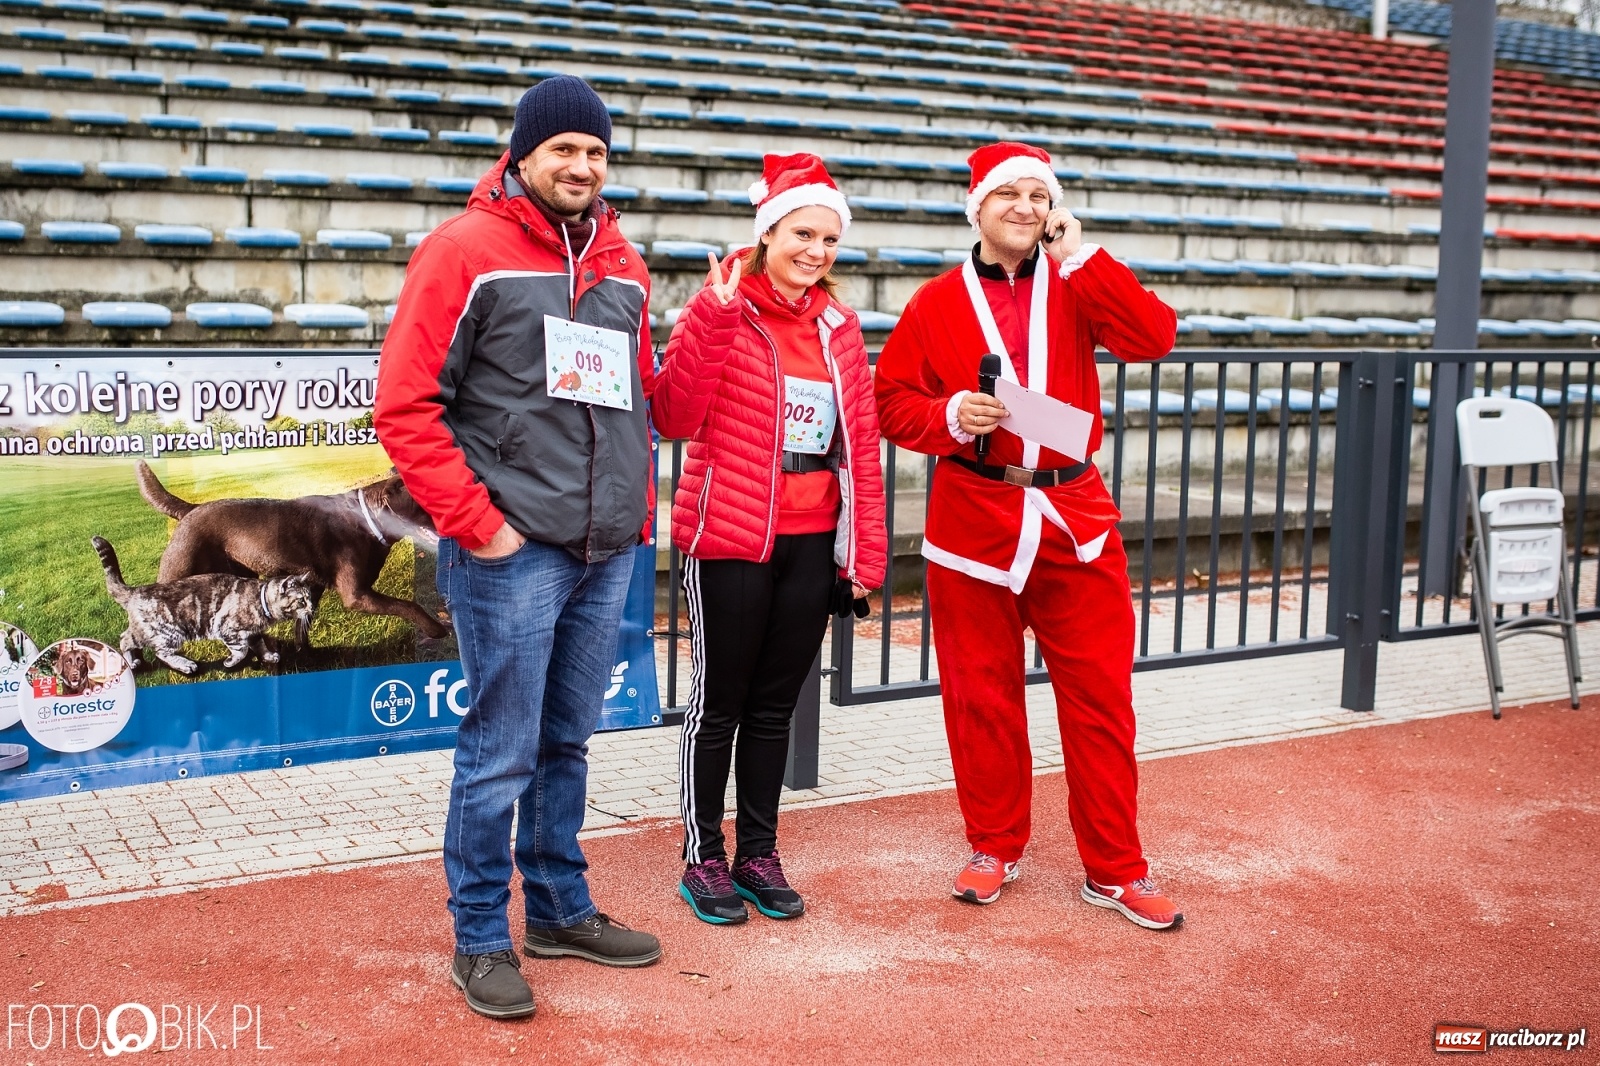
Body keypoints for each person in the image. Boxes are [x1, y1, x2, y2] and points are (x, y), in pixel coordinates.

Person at [374, 75, 662, 1020]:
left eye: (597, 151)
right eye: (564, 149)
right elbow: (405, 406)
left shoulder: (623, 263)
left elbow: (639, 400)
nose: (583, 166)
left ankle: (559, 910)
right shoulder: (464, 251)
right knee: (499, 752)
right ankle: (479, 939)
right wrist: (479, 524)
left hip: (603, 550)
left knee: (566, 741)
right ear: (524, 154)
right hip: (513, 550)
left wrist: (633, 517)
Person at [873, 141, 1184, 930]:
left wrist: (1084, 257)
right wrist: (950, 415)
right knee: (980, 696)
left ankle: (1115, 867)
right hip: (973, 519)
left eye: (1038, 196)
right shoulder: (935, 301)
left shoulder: (1078, 283)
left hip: (1076, 517)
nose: (1025, 207)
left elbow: (1154, 338)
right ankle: (994, 843)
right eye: (1007, 194)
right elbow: (891, 403)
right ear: (976, 206)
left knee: (1102, 700)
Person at [652, 153, 888, 925]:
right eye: (801, 234)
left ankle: (757, 851)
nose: (815, 251)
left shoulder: (839, 327)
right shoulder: (722, 306)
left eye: (828, 239)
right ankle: (703, 855)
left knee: (774, 706)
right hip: (731, 534)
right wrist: (712, 318)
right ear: (767, 234)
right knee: (719, 703)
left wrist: (865, 552)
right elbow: (674, 416)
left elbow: (860, 445)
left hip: (813, 539)